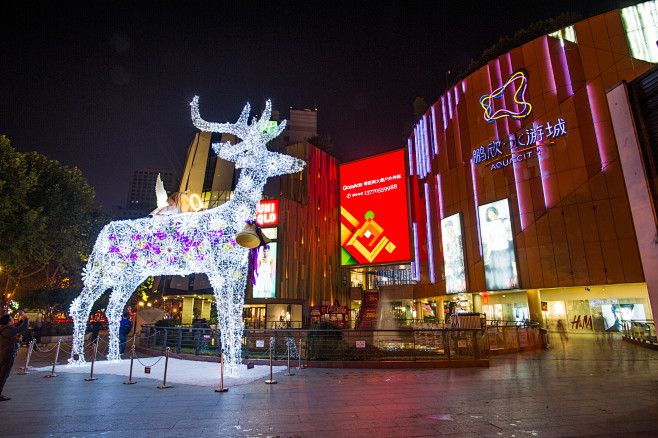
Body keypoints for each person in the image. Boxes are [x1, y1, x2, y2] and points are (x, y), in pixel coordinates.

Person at [482, 206, 515, 289]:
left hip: (504, 250)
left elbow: (511, 236)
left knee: (507, 272)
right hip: (493, 252)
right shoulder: (487, 225)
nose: (491, 215)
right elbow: (488, 241)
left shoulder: (505, 221)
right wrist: (488, 254)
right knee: (496, 274)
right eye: (489, 214)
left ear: (496, 212)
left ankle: (510, 286)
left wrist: (503, 232)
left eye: (492, 212)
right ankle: (498, 287)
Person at [0, 311, 30, 401]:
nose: (13, 320)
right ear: (8, 322)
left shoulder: (4, 328)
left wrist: (21, 320)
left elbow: (15, 327)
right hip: (7, 354)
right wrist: (26, 319)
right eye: (11, 319)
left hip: (2, 354)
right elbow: (21, 329)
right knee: (3, 375)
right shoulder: (8, 330)